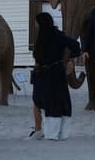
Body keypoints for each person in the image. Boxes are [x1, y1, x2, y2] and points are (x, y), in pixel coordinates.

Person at [31, 12, 81, 141]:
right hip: (41, 74)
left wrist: (70, 60)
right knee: (38, 101)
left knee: (55, 102)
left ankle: (54, 133)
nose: (36, 26)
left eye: (37, 23)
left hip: (55, 73)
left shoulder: (58, 35)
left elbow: (75, 46)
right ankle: (41, 130)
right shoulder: (41, 36)